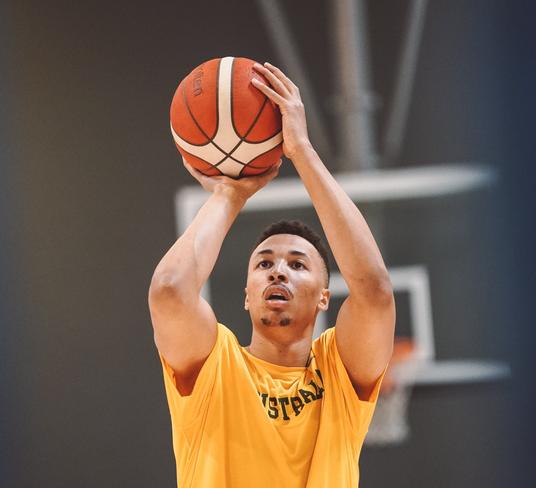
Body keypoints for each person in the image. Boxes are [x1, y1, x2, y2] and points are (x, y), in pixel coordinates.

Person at [148, 61, 395, 488]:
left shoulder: (340, 373)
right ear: (246, 295)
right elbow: (170, 292)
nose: (278, 269)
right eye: (264, 263)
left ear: (324, 297)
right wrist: (230, 193)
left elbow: (374, 291)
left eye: (298, 265)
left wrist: (302, 152)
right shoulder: (216, 365)